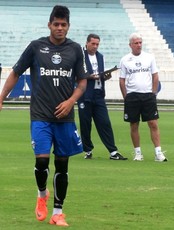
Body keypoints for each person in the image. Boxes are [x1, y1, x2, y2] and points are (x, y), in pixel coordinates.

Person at [0, 5, 88, 226]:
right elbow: (16, 72)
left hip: (64, 118)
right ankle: (42, 196)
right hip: (40, 115)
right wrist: (1, 96)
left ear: (68, 26)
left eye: (63, 24)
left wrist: (70, 102)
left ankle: (58, 212)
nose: (60, 28)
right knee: (41, 161)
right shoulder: (36, 47)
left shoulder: (76, 49)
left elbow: (82, 82)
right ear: (49, 25)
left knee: (62, 164)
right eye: (56, 24)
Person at [77, 34, 127, 160]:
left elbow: (100, 73)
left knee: (104, 122)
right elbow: (77, 74)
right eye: (93, 44)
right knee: (85, 123)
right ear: (87, 43)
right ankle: (87, 150)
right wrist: (90, 76)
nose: (95, 46)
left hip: (98, 93)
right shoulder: (80, 56)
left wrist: (105, 76)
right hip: (85, 93)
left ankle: (113, 151)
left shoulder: (100, 56)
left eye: (97, 44)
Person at [119, 32, 167, 162]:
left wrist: (153, 93)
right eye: (136, 43)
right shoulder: (125, 60)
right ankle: (138, 153)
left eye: (140, 42)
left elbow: (155, 76)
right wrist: (126, 97)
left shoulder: (149, 58)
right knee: (134, 124)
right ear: (130, 45)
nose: (139, 45)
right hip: (132, 96)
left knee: (153, 123)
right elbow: (122, 80)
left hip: (147, 95)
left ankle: (158, 152)